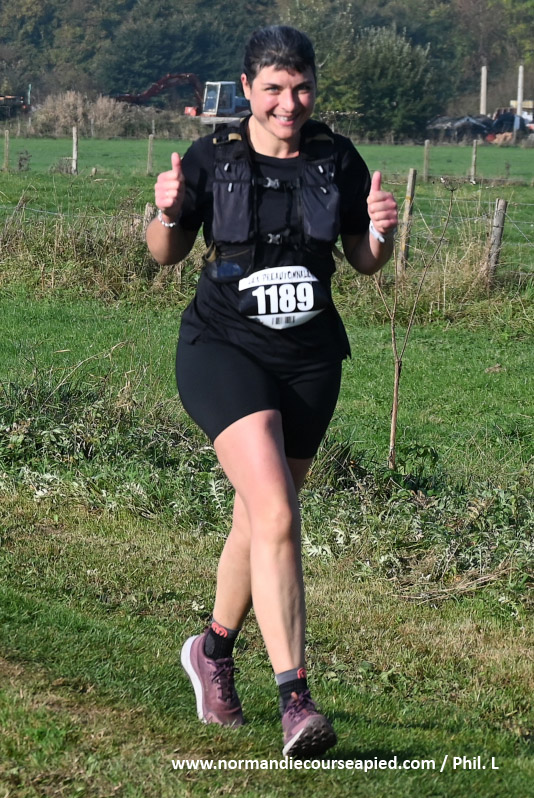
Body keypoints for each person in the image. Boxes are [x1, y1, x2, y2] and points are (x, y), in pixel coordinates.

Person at [146, 25, 398, 758]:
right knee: (279, 512)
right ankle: (297, 701)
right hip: (223, 349)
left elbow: (363, 259)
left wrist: (382, 233)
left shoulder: (335, 158)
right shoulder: (212, 157)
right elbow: (164, 253)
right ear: (248, 89)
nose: (290, 103)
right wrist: (166, 211)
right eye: (274, 90)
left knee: (259, 520)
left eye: (302, 88)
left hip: (310, 360)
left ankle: (212, 651)